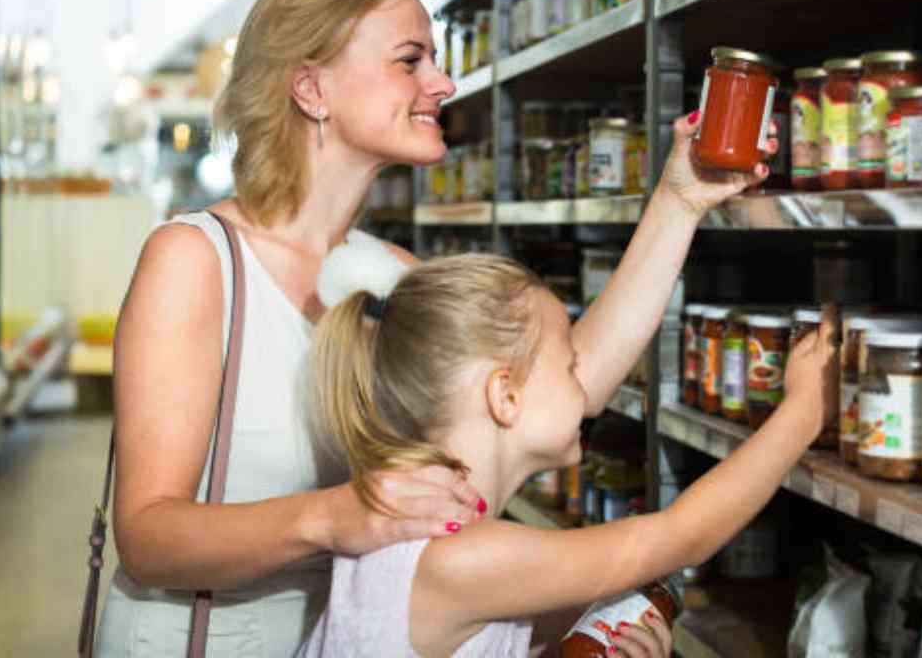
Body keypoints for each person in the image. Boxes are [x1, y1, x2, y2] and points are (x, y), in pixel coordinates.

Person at [97, 0, 774, 657]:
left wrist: (678, 201)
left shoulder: (386, 278)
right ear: (310, 87)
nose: (443, 84)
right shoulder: (196, 260)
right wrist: (334, 517)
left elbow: (558, 383)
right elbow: (147, 536)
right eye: (410, 61)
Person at [300, 253, 837, 657]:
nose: (586, 388)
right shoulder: (456, 554)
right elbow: (682, 536)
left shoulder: (422, 525)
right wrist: (805, 410)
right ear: (505, 396)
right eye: (570, 366)